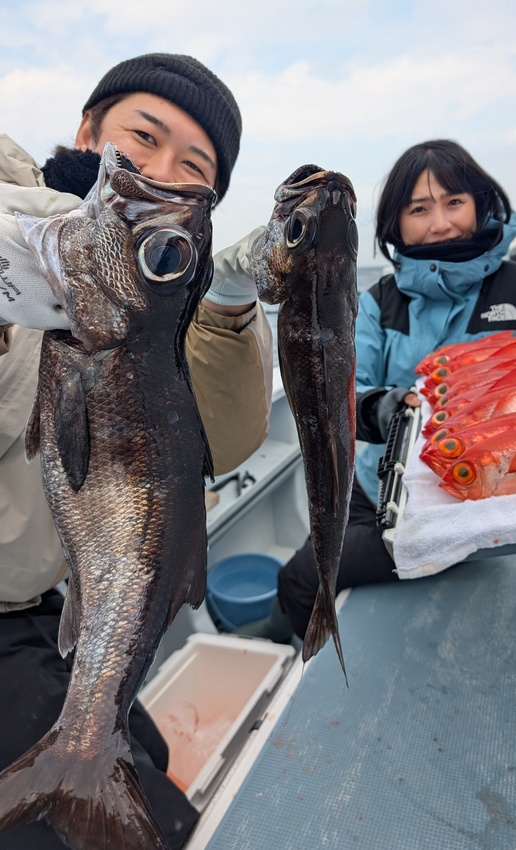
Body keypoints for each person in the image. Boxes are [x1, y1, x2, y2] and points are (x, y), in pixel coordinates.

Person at [0, 53, 273, 850]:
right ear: (88, 130)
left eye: (195, 168)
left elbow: (225, 440)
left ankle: (85, 755)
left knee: (140, 752)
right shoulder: (25, 231)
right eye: (142, 138)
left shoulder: (167, 293)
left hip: (36, 604)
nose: (161, 172)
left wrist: (223, 306)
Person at [237, 138, 516, 644]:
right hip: (376, 487)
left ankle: (281, 636)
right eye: (419, 209)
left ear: (481, 204)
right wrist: (382, 409)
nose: (440, 222)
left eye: (454, 202)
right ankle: (287, 633)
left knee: (300, 578)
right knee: (303, 574)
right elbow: (348, 388)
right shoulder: (377, 303)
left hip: (482, 502)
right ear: (394, 224)